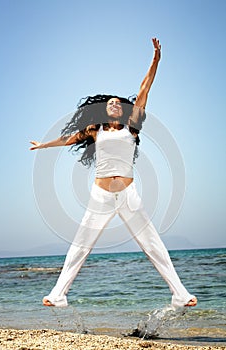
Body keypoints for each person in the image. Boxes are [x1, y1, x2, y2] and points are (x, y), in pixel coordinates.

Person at [30, 38, 197, 309]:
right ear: (104, 110)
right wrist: (42, 145)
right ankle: (58, 294)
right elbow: (68, 139)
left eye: (119, 103)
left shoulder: (131, 127)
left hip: (128, 195)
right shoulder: (95, 130)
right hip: (101, 196)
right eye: (111, 103)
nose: (115, 104)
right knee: (81, 245)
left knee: (151, 243)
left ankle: (179, 293)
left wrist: (155, 60)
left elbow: (144, 89)